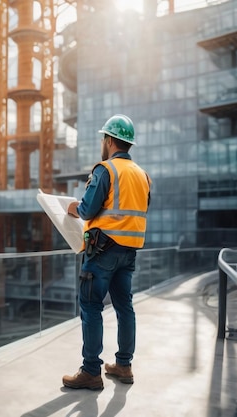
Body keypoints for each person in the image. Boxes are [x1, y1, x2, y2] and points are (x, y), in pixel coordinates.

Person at [62, 114, 151, 390]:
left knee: (91, 306)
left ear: (110, 140)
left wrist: (71, 207)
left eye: (104, 138)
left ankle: (91, 371)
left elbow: (88, 210)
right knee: (125, 306)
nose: (103, 142)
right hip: (129, 251)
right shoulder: (142, 175)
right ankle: (123, 364)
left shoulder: (105, 170)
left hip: (102, 251)